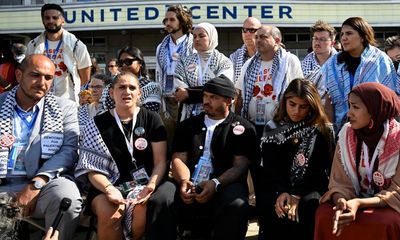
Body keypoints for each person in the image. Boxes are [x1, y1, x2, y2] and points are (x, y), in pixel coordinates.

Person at [75, 71, 176, 240]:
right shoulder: (98, 123)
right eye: (121, 87)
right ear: (111, 92)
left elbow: (160, 161)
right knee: (111, 212)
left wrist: (150, 185)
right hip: (107, 185)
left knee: (142, 208)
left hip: (146, 183)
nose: (126, 92)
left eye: (132, 87)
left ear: (139, 93)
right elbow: (91, 169)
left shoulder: (152, 119)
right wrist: (109, 189)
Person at [0, 54, 82, 240]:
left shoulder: (64, 108)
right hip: (4, 183)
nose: (42, 82)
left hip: (45, 182)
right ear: (19, 76)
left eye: (48, 77)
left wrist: (37, 183)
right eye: (35, 75)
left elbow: (69, 150)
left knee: (66, 198)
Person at [171, 75, 257, 239]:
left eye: (214, 97)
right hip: (189, 181)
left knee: (236, 204)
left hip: (225, 183)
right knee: (163, 198)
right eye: (205, 96)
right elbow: (178, 158)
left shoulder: (243, 128)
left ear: (229, 101)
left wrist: (215, 183)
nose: (206, 101)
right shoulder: (187, 125)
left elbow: (240, 166)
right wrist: (183, 181)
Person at [314, 82, 400, 240]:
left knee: (385, 222)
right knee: (325, 215)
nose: (349, 113)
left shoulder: (398, 138)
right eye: (349, 106)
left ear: (374, 110)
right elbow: (339, 182)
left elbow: (396, 192)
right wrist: (341, 200)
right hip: (353, 200)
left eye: (355, 107)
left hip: (387, 206)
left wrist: (360, 204)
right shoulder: (346, 133)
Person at [256, 78, 335, 240]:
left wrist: (297, 194)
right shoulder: (273, 128)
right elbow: (270, 167)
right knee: (271, 203)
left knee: (308, 205)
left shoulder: (322, 129)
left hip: (311, 186)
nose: (296, 111)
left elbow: (321, 167)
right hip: (279, 185)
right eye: (292, 104)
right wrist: (283, 191)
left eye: (303, 106)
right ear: (285, 101)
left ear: (312, 106)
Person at [320, 17, 399, 132]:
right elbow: (327, 99)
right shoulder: (333, 64)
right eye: (342, 34)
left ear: (362, 36)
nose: (344, 38)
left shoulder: (380, 60)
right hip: (340, 129)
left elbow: (389, 97)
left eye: (349, 33)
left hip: (375, 128)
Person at [235, 25, 303, 137]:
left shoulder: (289, 61)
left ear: (277, 40)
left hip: (281, 126)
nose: (258, 40)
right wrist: (237, 121)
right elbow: (241, 96)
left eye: (263, 37)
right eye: (256, 37)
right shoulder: (249, 64)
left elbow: (298, 92)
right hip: (253, 126)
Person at [26, 3, 91, 103]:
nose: (51, 21)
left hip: (68, 101)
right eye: (47, 18)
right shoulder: (33, 45)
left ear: (62, 20)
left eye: (55, 17)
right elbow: (28, 72)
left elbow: (85, 78)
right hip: (40, 100)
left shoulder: (76, 45)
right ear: (43, 20)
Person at [174, 22, 234, 121]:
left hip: (216, 116)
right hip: (189, 117)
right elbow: (179, 91)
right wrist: (209, 92)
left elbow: (221, 89)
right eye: (195, 36)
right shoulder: (184, 62)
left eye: (201, 36)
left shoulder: (224, 62)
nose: (197, 39)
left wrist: (189, 94)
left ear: (211, 37)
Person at [156, 4, 194, 147]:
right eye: (166, 20)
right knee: (169, 140)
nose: (167, 23)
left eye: (172, 20)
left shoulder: (193, 44)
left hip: (186, 99)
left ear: (182, 21)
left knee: (186, 140)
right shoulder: (161, 46)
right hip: (167, 101)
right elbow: (160, 73)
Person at [117, 46, 162, 112]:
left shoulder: (152, 87)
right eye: (121, 62)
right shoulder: (112, 87)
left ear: (140, 63)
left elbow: (149, 114)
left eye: (128, 61)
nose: (124, 65)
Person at [230, 17, 262, 85]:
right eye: (244, 30)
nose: (247, 34)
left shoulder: (268, 54)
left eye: (252, 30)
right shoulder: (234, 57)